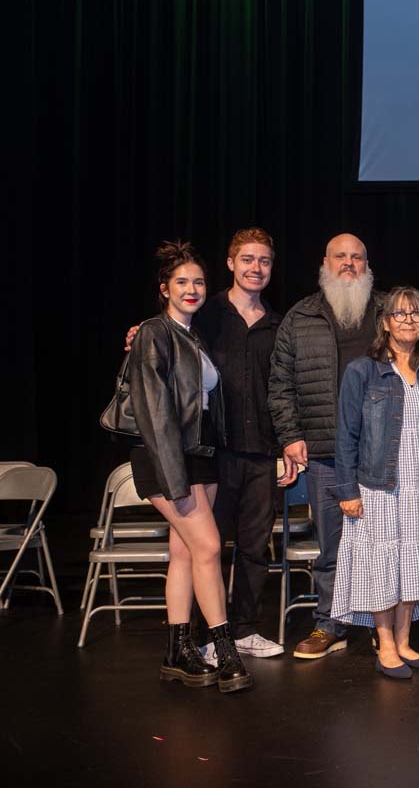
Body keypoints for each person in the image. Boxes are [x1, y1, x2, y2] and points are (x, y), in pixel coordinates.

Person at [125, 228, 286, 661]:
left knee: (213, 549)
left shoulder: (267, 323)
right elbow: (155, 404)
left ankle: (205, 644)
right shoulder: (199, 317)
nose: (256, 268)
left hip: (226, 453)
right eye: (247, 259)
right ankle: (211, 641)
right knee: (209, 547)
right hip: (189, 456)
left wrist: (288, 443)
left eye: (264, 261)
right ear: (231, 264)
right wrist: (141, 333)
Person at [330, 288, 419, 679]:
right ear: (385, 322)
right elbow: (346, 435)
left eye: (417, 315)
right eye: (400, 314)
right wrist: (348, 491)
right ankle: (385, 645)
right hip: (380, 486)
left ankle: (405, 642)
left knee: (412, 561)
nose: (408, 321)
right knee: (382, 563)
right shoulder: (362, 371)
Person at [269, 233, 388, 659]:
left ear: (367, 263)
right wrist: (290, 435)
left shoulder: (387, 311)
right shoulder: (300, 317)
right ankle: (329, 623)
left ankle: (384, 629)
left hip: (383, 453)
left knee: (384, 544)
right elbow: (280, 384)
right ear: (325, 262)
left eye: (358, 256)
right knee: (332, 546)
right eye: (341, 256)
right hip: (323, 452)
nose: (349, 264)